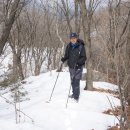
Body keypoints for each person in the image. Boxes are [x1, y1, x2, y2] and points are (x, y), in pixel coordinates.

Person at [61, 32, 87, 102]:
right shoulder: (69, 46)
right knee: (72, 81)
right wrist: (64, 59)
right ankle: (73, 94)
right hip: (71, 67)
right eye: (71, 38)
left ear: (76, 38)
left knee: (76, 82)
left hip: (78, 67)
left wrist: (79, 64)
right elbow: (67, 55)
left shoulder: (81, 46)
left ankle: (76, 97)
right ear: (70, 39)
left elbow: (84, 57)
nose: (73, 40)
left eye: (74, 38)